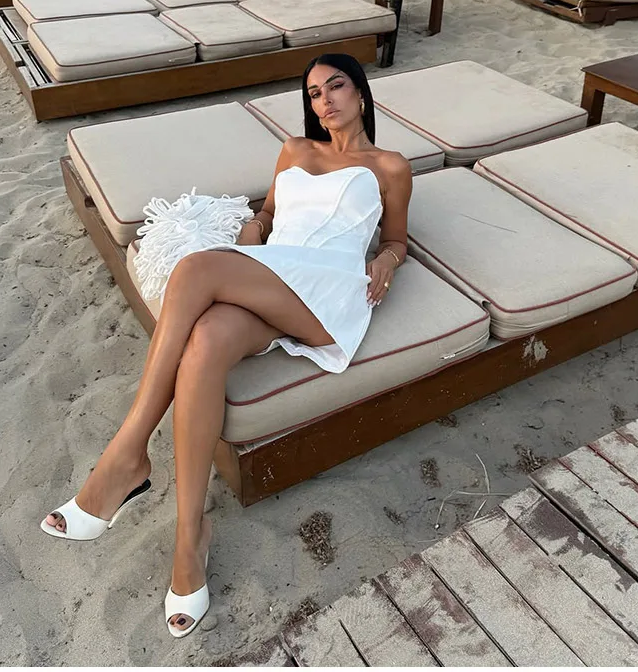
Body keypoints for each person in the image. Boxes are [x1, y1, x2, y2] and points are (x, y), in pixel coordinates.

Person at [40, 53, 413, 638]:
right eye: (314, 94)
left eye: (336, 86)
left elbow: (396, 239)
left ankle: (127, 454)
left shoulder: (389, 165)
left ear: (361, 93)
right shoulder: (295, 150)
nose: (325, 101)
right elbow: (270, 211)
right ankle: (190, 538)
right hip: (275, 271)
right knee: (208, 339)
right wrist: (253, 230)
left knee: (194, 269)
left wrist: (388, 260)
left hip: (329, 289)